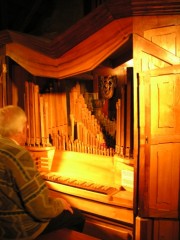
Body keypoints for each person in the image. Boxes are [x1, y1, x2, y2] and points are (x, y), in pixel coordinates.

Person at [0, 105, 85, 239]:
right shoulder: (19, 154)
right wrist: (60, 203)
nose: (28, 128)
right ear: (21, 129)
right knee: (77, 217)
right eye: (26, 125)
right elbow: (40, 209)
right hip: (17, 229)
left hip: (4, 224)